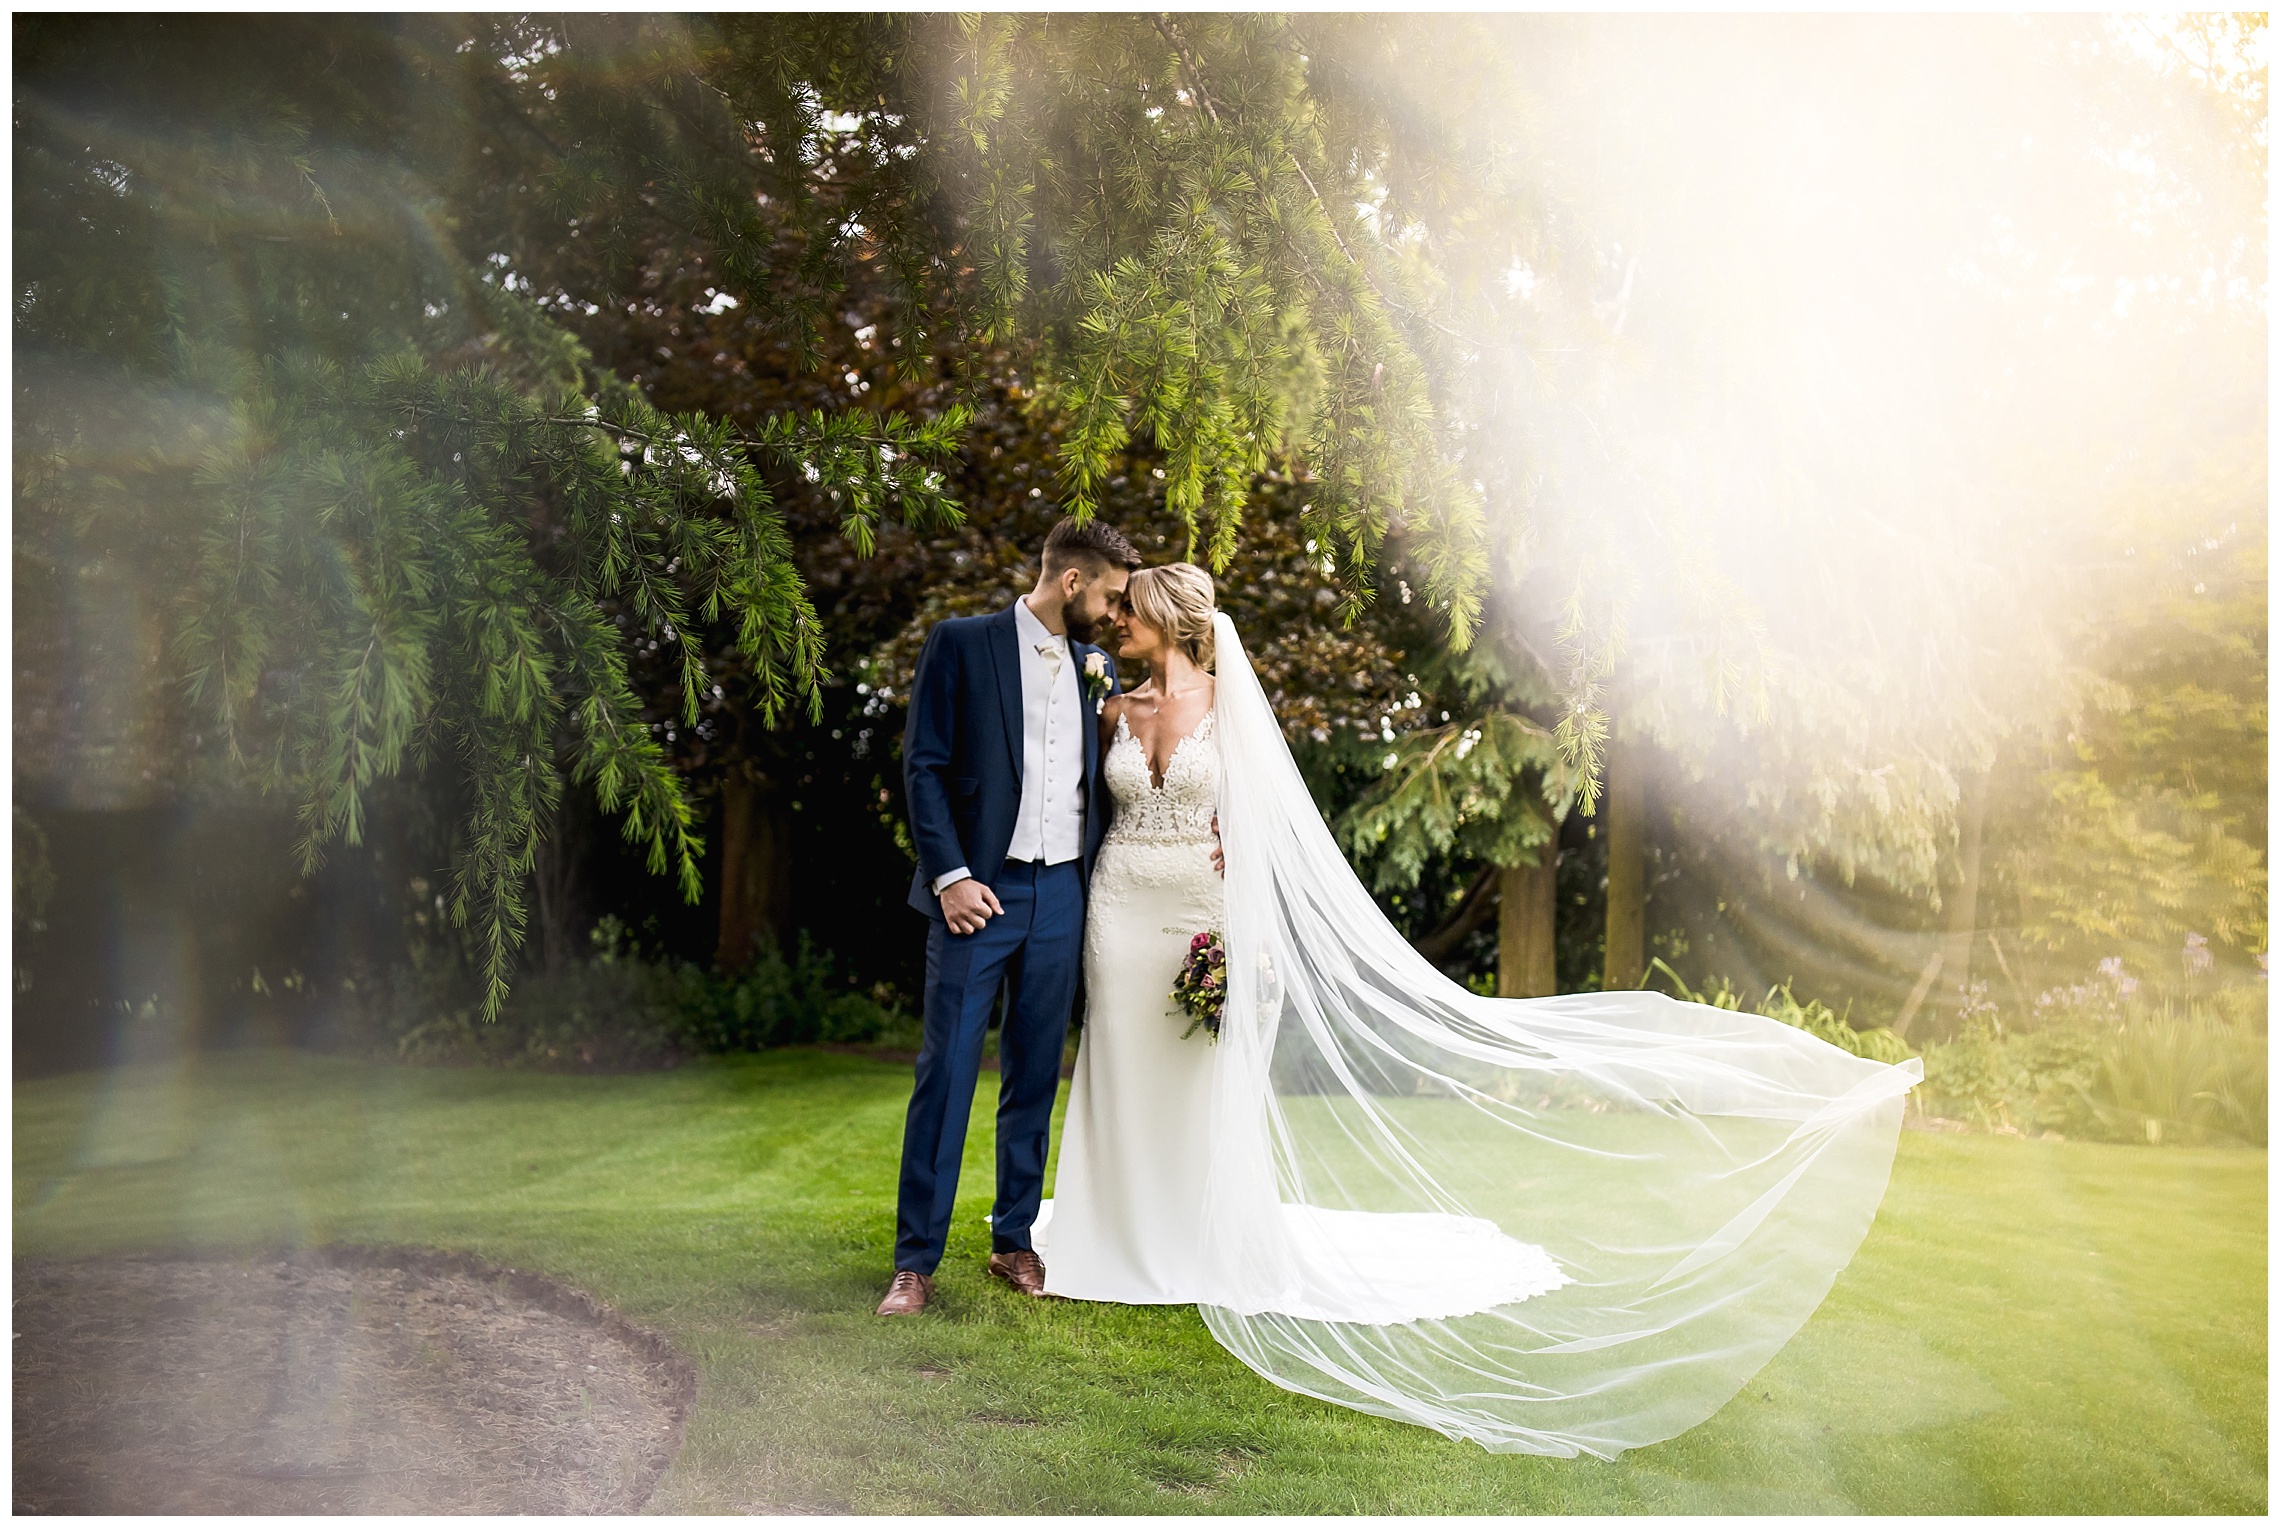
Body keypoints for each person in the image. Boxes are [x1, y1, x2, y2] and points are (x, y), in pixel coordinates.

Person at [1032, 565, 1924, 1461]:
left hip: (1205, 906)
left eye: (1130, 616)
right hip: (1121, 906)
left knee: (1197, 1073)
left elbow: (1260, 826)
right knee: (1117, 1060)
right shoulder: (1110, 710)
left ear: (1172, 622)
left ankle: (1195, 1235)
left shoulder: (1233, 708)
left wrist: (1251, 939)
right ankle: (1109, 1233)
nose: (1114, 626)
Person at [876, 516, 1140, 1318]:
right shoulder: (962, 643)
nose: (1114, 612)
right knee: (947, 1072)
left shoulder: (1096, 665)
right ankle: (914, 1263)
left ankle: (1013, 1240)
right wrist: (952, 875)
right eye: (1111, 594)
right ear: (1072, 583)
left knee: (1033, 1074)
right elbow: (922, 768)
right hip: (976, 897)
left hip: (1063, 894)